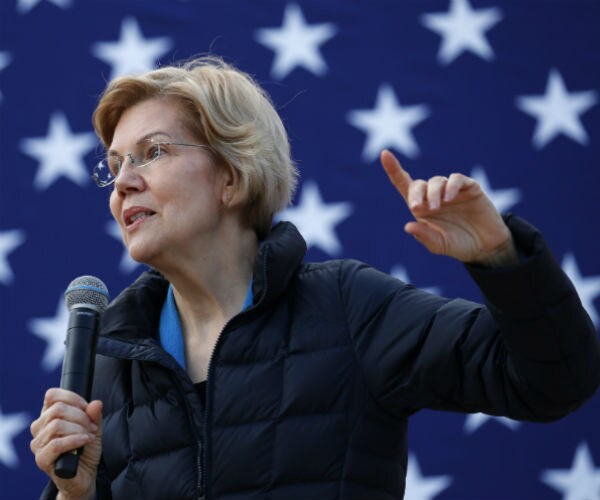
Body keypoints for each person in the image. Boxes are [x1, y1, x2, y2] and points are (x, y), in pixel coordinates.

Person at [30, 55, 600, 500]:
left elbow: (555, 381)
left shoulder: (348, 308)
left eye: (151, 152)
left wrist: (502, 259)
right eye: (114, 166)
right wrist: (76, 494)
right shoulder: (112, 362)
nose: (124, 182)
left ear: (232, 176)